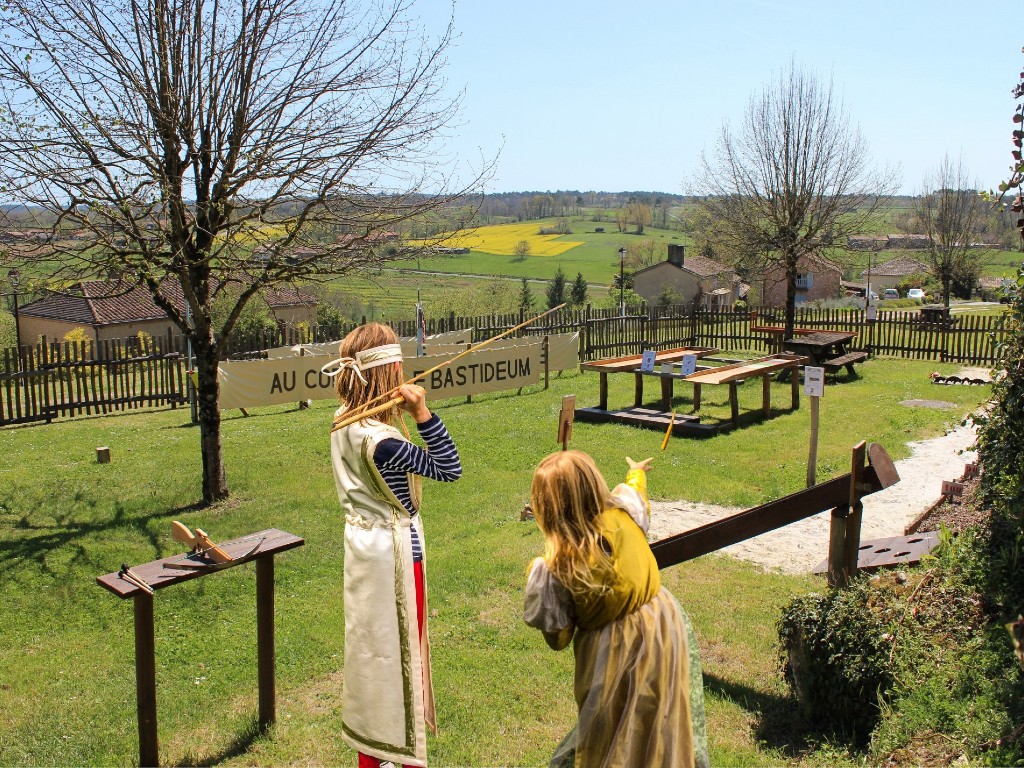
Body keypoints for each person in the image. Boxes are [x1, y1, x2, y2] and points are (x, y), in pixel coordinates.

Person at [324, 323, 462, 768]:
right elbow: (449, 467)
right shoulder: (382, 442)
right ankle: (402, 758)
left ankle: (374, 756)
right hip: (397, 559)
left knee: (371, 656)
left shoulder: (344, 418)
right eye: (400, 368)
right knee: (401, 657)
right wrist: (423, 414)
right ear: (387, 375)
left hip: (363, 551)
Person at [523, 450, 708, 768]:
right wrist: (637, 472)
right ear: (594, 483)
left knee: (612, 731)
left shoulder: (555, 565)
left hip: (613, 653)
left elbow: (558, 636)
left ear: (546, 506)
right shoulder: (625, 510)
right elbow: (637, 492)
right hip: (662, 625)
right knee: (661, 708)